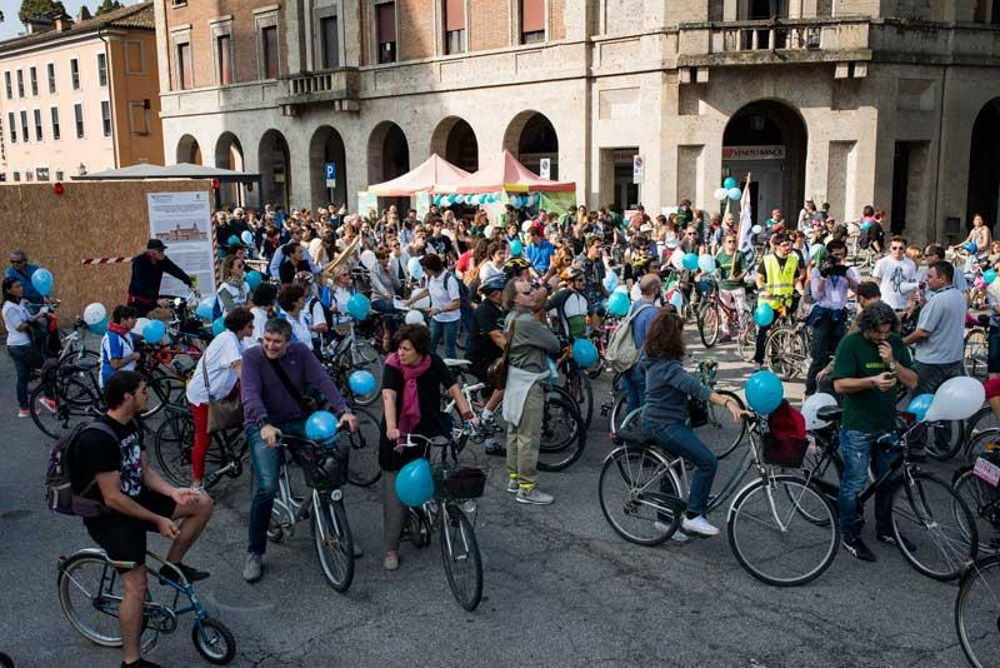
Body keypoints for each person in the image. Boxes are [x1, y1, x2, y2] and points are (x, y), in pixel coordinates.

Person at [71, 370, 214, 668]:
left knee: (201, 504)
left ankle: (172, 568)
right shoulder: (99, 439)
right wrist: (158, 520)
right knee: (136, 586)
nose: (147, 394)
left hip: (137, 499)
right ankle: (132, 660)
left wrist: (173, 492)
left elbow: (144, 471)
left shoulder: (133, 423)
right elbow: (113, 498)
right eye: (143, 390)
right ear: (127, 396)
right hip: (111, 517)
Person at [240, 318, 358, 582]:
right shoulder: (252, 358)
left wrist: (344, 411)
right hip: (263, 424)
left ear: (288, 341)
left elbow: (322, 381)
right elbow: (249, 394)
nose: (270, 345)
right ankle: (255, 551)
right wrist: (264, 423)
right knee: (266, 487)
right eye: (266, 340)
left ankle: (338, 534)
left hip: (297, 419)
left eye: (276, 342)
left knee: (327, 468)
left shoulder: (300, 353)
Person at [640, 309, 746, 537]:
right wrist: (728, 403)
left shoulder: (656, 358)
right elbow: (696, 389)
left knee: (674, 467)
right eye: (681, 334)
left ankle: (663, 519)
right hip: (664, 424)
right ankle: (693, 515)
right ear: (672, 338)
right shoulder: (667, 367)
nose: (684, 338)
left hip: (657, 420)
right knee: (707, 462)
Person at [379, 324, 476, 571]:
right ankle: (391, 548)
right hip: (398, 436)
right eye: (399, 348)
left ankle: (447, 508)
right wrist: (392, 427)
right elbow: (389, 396)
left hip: (430, 428)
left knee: (444, 464)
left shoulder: (432, 361)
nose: (400, 353)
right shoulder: (392, 365)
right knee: (395, 498)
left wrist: (467, 413)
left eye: (406, 349)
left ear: (420, 350)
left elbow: (453, 387)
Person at [831, 303, 917, 561]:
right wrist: (871, 381)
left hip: (886, 424)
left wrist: (892, 363)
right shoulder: (851, 344)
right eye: (877, 333)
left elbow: (912, 381)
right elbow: (839, 385)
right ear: (866, 327)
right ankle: (850, 534)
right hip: (858, 426)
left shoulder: (894, 343)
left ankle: (885, 528)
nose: (882, 337)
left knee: (888, 480)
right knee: (853, 484)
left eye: (886, 332)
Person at [501, 276, 563, 505]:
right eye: (527, 292)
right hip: (528, 383)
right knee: (529, 436)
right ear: (515, 298)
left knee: (515, 432)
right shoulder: (527, 321)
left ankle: (515, 479)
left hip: (516, 380)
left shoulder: (513, 317)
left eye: (532, 290)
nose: (532, 293)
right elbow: (554, 344)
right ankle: (527, 489)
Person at [903, 260, 967, 456]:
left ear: (942, 278)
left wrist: (902, 342)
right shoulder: (958, 296)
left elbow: (923, 332)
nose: (927, 280)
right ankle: (942, 442)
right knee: (945, 405)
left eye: (930, 277)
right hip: (953, 359)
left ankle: (915, 445)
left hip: (931, 361)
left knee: (920, 404)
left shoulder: (940, 300)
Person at [185, 308, 254, 489]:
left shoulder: (237, 340)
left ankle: (232, 438)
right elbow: (239, 367)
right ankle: (197, 481)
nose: (253, 329)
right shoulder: (228, 341)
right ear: (240, 327)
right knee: (203, 438)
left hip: (220, 390)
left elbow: (253, 357)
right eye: (250, 326)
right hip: (203, 396)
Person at [805, 240, 859, 395]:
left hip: (839, 313)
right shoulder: (818, 270)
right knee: (819, 356)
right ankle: (810, 391)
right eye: (835, 255)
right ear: (829, 255)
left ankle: (831, 391)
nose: (838, 258)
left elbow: (857, 288)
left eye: (841, 255)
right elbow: (817, 294)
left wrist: (846, 276)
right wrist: (823, 275)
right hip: (823, 313)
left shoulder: (846, 270)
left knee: (837, 355)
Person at [465, 274, 508, 454]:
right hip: (480, 358)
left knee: (491, 392)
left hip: (494, 357)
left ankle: (490, 445)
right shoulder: (484, 310)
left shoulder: (500, 309)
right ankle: (487, 413)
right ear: (497, 293)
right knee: (507, 380)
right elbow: (497, 336)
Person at [3, 278, 54, 417]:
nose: (21, 288)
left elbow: (29, 318)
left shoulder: (19, 303)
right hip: (21, 345)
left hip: (19, 345)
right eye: (16, 287)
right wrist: (34, 323)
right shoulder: (9, 308)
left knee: (22, 376)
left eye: (20, 286)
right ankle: (49, 398)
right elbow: (20, 326)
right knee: (47, 367)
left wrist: (40, 314)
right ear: (8, 290)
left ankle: (24, 408)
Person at [754, 233, 804, 367]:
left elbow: (795, 280)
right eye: (784, 245)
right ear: (776, 246)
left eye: (789, 244)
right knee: (764, 332)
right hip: (769, 303)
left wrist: (801, 291)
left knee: (781, 330)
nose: (788, 247)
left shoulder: (793, 260)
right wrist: (763, 290)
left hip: (784, 302)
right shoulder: (768, 259)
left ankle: (776, 359)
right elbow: (759, 277)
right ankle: (758, 361)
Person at [621, 275, 661, 416]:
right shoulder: (652, 313)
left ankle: (625, 432)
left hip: (628, 362)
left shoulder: (635, 306)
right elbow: (653, 343)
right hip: (642, 365)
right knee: (646, 408)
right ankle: (644, 435)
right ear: (655, 290)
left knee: (633, 404)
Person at [409, 254, 462, 359]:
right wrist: (411, 300)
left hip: (451, 320)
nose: (423, 271)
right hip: (436, 318)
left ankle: (453, 372)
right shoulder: (431, 277)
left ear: (432, 268)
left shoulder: (449, 280)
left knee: (449, 349)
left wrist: (439, 309)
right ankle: (432, 368)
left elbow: (456, 303)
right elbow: (427, 291)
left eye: (425, 269)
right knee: (430, 346)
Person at [127, 239, 195, 316]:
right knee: (142, 324)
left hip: (152, 298)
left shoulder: (162, 260)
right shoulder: (140, 262)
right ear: (150, 252)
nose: (163, 253)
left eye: (163, 250)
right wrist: (157, 299)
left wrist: (190, 282)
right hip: (138, 301)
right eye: (160, 251)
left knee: (180, 302)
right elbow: (142, 285)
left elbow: (176, 270)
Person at [100, 305, 141, 389]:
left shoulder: (126, 332)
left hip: (124, 378)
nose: (136, 321)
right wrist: (132, 356)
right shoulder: (112, 338)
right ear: (123, 320)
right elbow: (115, 364)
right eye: (132, 318)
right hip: (114, 382)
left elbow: (138, 337)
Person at [871, 236, 916, 311]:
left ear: (904, 249)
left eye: (901, 248)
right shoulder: (882, 262)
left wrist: (911, 302)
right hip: (885, 305)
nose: (897, 250)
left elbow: (912, 285)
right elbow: (875, 283)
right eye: (894, 248)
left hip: (903, 306)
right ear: (890, 248)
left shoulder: (910, 263)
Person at [715, 233, 746, 339]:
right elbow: (715, 268)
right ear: (724, 244)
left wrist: (737, 278)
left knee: (741, 310)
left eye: (734, 241)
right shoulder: (720, 256)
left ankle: (743, 333)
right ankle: (726, 333)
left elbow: (745, 270)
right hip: (724, 287)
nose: (732, 243)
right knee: (724, 312)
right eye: (729, 241)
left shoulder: (739, 254)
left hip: (738, 286)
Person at [547, 266, 589, 341]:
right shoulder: (561, 295)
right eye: (580, 280)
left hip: (582, 339)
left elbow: (592, 313)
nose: (584, 282)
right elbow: (544, 307)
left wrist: (596, 330)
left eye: (584, 279)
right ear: (569, 282)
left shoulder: (584, 296)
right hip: (566, 341)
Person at [275, 283, 313, 351]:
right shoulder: (283, 322)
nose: (305, 300)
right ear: (294, 302)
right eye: (302, 298)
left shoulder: (304, 316)